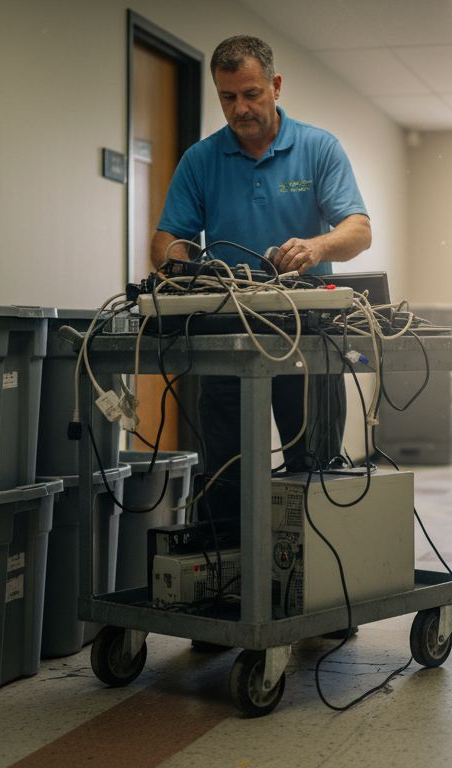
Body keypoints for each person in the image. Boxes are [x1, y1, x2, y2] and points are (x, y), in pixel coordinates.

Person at [151, 34, 372, 531]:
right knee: (227, 473)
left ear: (275, 85)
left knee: (312, 471)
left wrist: (316, 248)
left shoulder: (318, 147)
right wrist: (182, 268)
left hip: (307, 331)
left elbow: (358, 230)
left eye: (251, 94)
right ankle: (231, 581)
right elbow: (169, 239)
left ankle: (310, 590)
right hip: (228, 331)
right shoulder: (201, 160)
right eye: (228, 97)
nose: (241, 108)